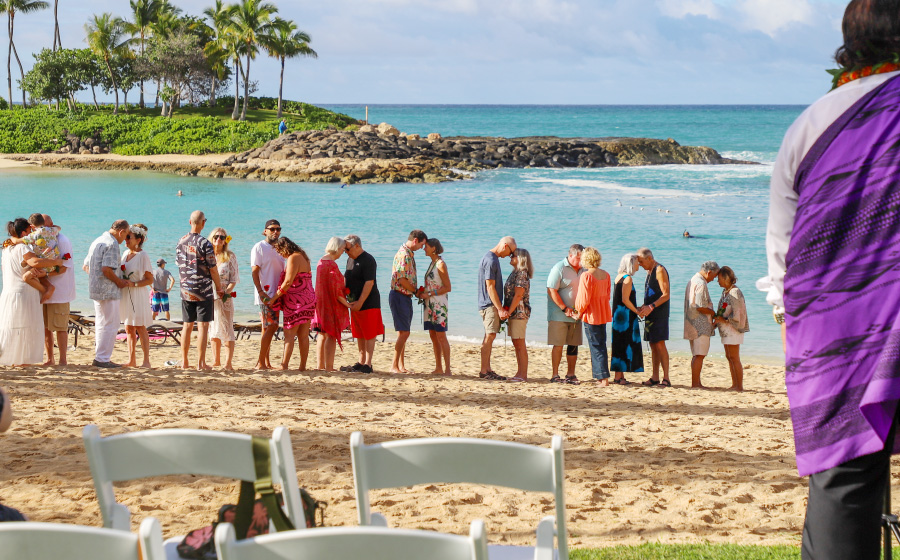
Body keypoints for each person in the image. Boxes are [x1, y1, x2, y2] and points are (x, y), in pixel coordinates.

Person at [0, 218, 62, 366]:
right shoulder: (23, 248)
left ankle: (10, 358)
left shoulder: (6, 249)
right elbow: (34, 262)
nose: (32, 233)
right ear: (24, 232)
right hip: (24, 292)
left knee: (11, 325)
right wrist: (56, 262)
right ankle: (24, 360)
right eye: (29, 231)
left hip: (8, 291)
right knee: (28, 325)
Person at [175, 211, 222, 371]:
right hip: (203, 290)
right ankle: (201, 363)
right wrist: (219, 287)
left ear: (190, 222)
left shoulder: (180, 241)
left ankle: (184, 362)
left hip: (186, 289)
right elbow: (213, 269)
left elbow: (178, 264)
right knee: (203, 326)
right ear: (203, 223)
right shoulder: (205, 244)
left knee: (187, 326)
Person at [86, 219, 129, 368]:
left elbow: (86, 266)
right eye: (125, 235)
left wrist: (95, 279)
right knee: (111, 323)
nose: (125, 239)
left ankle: (100, 356)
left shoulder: (97, 240)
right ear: (121, 232)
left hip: (96, 288)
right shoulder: (112, 244)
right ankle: (102, 358)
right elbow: (107, 269)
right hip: (108, 290)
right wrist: (119, 281)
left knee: (101, 323)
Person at [268, 237, 315, 371]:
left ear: (284, 248)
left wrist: (274, 298)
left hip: (296, 301)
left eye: (279, 251)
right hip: (309, 299)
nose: (280, 255)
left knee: (289, 335)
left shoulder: (293, 258)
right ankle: (302, 367)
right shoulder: (304, 257)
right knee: (303, 336)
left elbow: (288, 282)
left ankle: (284, 365)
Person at [341, 234, 383, 374]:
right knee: (358, 333)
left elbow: (369, 283)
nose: (345, 252)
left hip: (369, 302)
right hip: (353, 302)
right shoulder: (350, 259)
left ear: (357, 245)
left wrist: (360, 302)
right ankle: (361, 360)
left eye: (347, 249)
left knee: (369, 333)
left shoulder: (368, 259)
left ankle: (368, 363)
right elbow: (346, 278)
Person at [478, 236, 517, 380]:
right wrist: (500, 308)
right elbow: (490, 287)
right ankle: (484, 370)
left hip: (488, 303)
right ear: (505, 246)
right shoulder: (491, 260)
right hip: (489, 304)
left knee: (490, 335)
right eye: (511, 252)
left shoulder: (491, 258)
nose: (510, 256)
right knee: (490, 336)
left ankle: (487, 368)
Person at [389, 229, 427, 373]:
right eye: (421, 245)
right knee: (404, 332)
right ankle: (394, 365)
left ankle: (400, 365)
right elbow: (401, 279)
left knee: (403, 332)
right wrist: (416, 291)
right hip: (400, 294)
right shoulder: (404, 254)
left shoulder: (408, 254)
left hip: (404, 295)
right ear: (416, 240)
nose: (421, 248)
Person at [311, 237, 351, 371]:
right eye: (343, 250)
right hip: (330, 303)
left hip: (320, 302)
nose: (343, 253)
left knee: (322, 334)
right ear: (338, 248)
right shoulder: (331, 265)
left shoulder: (321, 261)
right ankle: (329, 366)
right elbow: (337, 291)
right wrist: (348, 304)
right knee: (331, 335)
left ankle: (320, 365)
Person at [546, 244, 585, 385]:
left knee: (573, 345)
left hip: (576, 315)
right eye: (578, 258)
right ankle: (555, 374)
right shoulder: (559, 268)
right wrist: (564, 308)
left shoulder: (584, 270)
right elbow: (551, 290)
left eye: (583, 259)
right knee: (558, 345)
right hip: (558, 314)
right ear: (570, 256)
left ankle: (571, 374)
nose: (581, 262)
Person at [574, 247, 612, 386]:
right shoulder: (606, 274)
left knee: (595, 345)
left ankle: (602, 378)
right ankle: (602, 377)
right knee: (601, 344)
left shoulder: (587, 275)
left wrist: (578, 311)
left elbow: (584, 299)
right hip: (602, 312)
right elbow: (607, 296)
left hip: (591, 314)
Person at [40, 214, 74, 367]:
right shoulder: (40, 239)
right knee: (46, 327)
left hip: (60, 291)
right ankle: (50, 358)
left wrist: (46, 273)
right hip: (44, 289)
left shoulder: (62, 240)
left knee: (60, 327)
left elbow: (65, 266)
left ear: (51, 224)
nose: (42, 229)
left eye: (44, 226)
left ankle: (63, 360)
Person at [251, 219, 285, 370]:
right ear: (265, 231)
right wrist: (260, 291)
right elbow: (254, 271)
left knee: (269, 328)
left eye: (278, 229)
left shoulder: (282, 248)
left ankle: (266, 362)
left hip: (278, 294)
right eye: (272, 229)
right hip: (265, 293)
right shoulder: (259, 247)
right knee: (270, 326)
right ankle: (261, 362)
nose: (275, 232)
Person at [120, 224, 154, 368]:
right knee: (128, 328)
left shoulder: (142, 256)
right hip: (126, 294)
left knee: (140, 327)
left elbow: (149, 279)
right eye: (125, 236)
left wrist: (133, 284)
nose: (125, 240)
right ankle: (131, 360)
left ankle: (146, 361)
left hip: (137, 293)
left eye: (129, 237)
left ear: (138, 239)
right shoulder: (124, 254)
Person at [637, 248, 671, 387]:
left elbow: (666, 294)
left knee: (660, 343)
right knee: (652, 343)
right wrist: (643, 306)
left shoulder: (659, 270)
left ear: (650, 258)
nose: (640, 265)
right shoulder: (649, 271)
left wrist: (651, 307)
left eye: (641, 262)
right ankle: (655, 376)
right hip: (650, 312)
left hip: (659, 312)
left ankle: (666, 378)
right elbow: (651, 293)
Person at [683, 260, 720, 389]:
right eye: (714, 276)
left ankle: (696, 382)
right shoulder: (701, 283)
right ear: (709, 272)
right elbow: (700, 306)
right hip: (700, 324)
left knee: (696, 354)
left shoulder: (693, 280)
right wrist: (712, 312)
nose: (714, 280)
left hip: (691, 322)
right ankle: (695, 384)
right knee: (699, 355)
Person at [610, 253, 644, 385]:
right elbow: (625, 299)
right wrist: (637, 311)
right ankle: (619, 376)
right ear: (631, 264)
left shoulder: (618, 277)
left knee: (619, 344)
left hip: (618, 315)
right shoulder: (627, 279)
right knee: (625, 344)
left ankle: (619, 375)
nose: (638, 265)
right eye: (637, 262)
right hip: (626, 317)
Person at [209, 227, 239, 370]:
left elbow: (234, 279)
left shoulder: (230, 256)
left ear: (226, 240)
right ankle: (216, 360)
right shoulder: (208, 256)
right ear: (212, 238)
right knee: (213, 328)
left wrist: (226, 292)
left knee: (227, 328)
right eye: (216, 237)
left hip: (225, 296)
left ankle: (228, 363)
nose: (218, 239)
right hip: (210, 296)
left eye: (222, 237)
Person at [714, 266, 748, 392]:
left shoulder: (734, 292)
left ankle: (739, 386)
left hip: (733, 329)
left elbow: (738, 314)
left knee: (734, 357)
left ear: (725, 278)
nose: (717, 281)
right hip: (726, 329)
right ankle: (734, 384)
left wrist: (725, 320)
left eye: (719, 279)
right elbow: (723, 309)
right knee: (729, 356)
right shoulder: (726, 292)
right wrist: (717, 320)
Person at [421, 238, 451, 375]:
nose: (424, 248)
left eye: (426, 246)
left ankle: (448, 369)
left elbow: (448, 287)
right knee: (433, 335)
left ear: (433, 248)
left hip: (438, 304)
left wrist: (430, 293)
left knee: (441, 335)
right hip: (429, 304)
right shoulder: (432, 263)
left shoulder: (440, 264)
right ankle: (438, 367)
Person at [503, 248, 533, 382]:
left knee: (520, 343)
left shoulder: (521, 273)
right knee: (517, 343)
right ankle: (519, 372)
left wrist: (509, 312)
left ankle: (523, 375)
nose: (510, 257)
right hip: (515, 313)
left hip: (519, 313)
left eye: (513, 256)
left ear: (520, 258)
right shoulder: (515, 273)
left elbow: (519, 294)